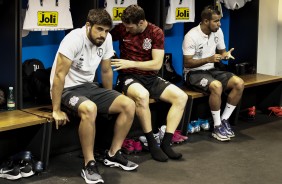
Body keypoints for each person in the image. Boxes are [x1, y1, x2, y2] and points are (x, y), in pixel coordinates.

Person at [50, 9, 138, 184]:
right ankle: (89, 164)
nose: (103, 35)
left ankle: (113, 153)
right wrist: (56, 109)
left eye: (106, 31)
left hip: (90, 87)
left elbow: (106, 71)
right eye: (99, 29)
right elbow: (59, 76)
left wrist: (110, 98)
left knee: (128, 104)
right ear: (88, 26)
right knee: (90, 108)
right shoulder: (73, 39)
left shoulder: (107, 40)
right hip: (67, 89)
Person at [110, 4, 188, 162]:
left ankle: (166, 143)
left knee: (181, 97)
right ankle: (152, 143)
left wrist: (129, 63)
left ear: (141, 22)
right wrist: (110, 54)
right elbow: (104, 39)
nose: (127, 29)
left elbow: (157, 64)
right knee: (142, 95)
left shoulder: (155, 32)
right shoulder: (122, 29)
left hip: (150, 77)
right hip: (128, 77)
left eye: (130, 27)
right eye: (125, 26)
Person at [182, 5, 245, 141]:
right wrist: (209, 59)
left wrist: (225, 55)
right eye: (216, 21)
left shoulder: (218, 31)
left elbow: (222, 51)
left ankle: (224, 120)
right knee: (216, 86)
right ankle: (216, 127)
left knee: (239, 83)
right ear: (206, 21)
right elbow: (187, 63)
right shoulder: (191, 36)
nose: (219, 24)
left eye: (219, 21)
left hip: (211, 70)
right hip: (193, 73)